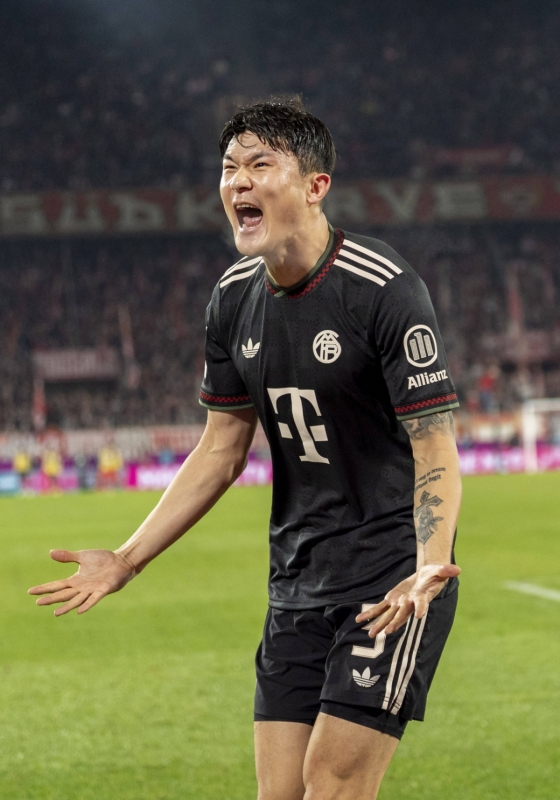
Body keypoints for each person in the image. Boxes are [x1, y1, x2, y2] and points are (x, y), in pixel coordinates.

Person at [29, 99, 462, 800]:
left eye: (261, 165)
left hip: (389, 583)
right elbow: (221, 450)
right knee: (278, 794)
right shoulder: (232, 299)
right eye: (229, 167)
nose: (238, 182)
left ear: (316, 186)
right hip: (296, 581)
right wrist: (127, 559)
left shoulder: (383, 289)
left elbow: (435, 446)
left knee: (331, 786)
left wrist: (428, 566)